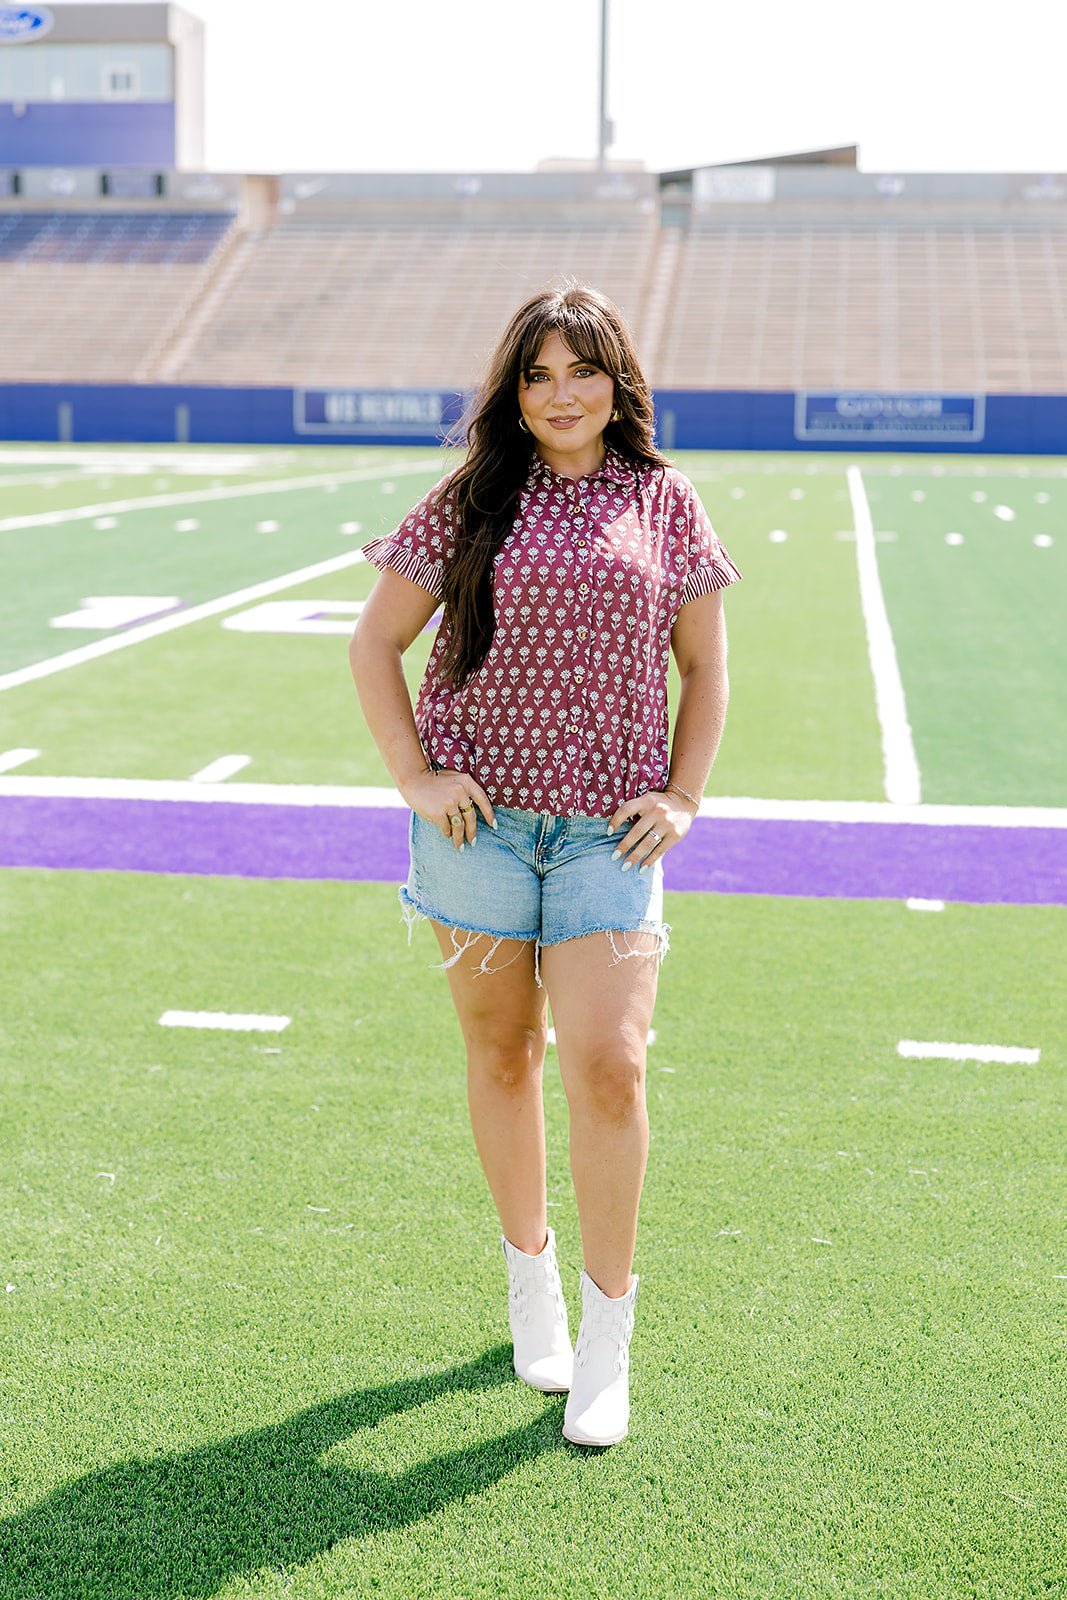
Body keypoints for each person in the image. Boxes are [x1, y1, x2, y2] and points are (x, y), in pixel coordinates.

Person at [349, 284, 739, 1447]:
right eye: (536, 375)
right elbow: (374, 641)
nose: (560, 394)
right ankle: (530, 1276)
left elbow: (706, 669)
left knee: (609, 1066)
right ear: (511, 393)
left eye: (581, 370)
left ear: (617, 380)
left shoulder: (664, 502)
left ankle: (606, 1334)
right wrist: (415, 776)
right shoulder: (471, 496)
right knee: (503, 1050)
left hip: (605, 835)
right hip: (477, 829)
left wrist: (681, 793)